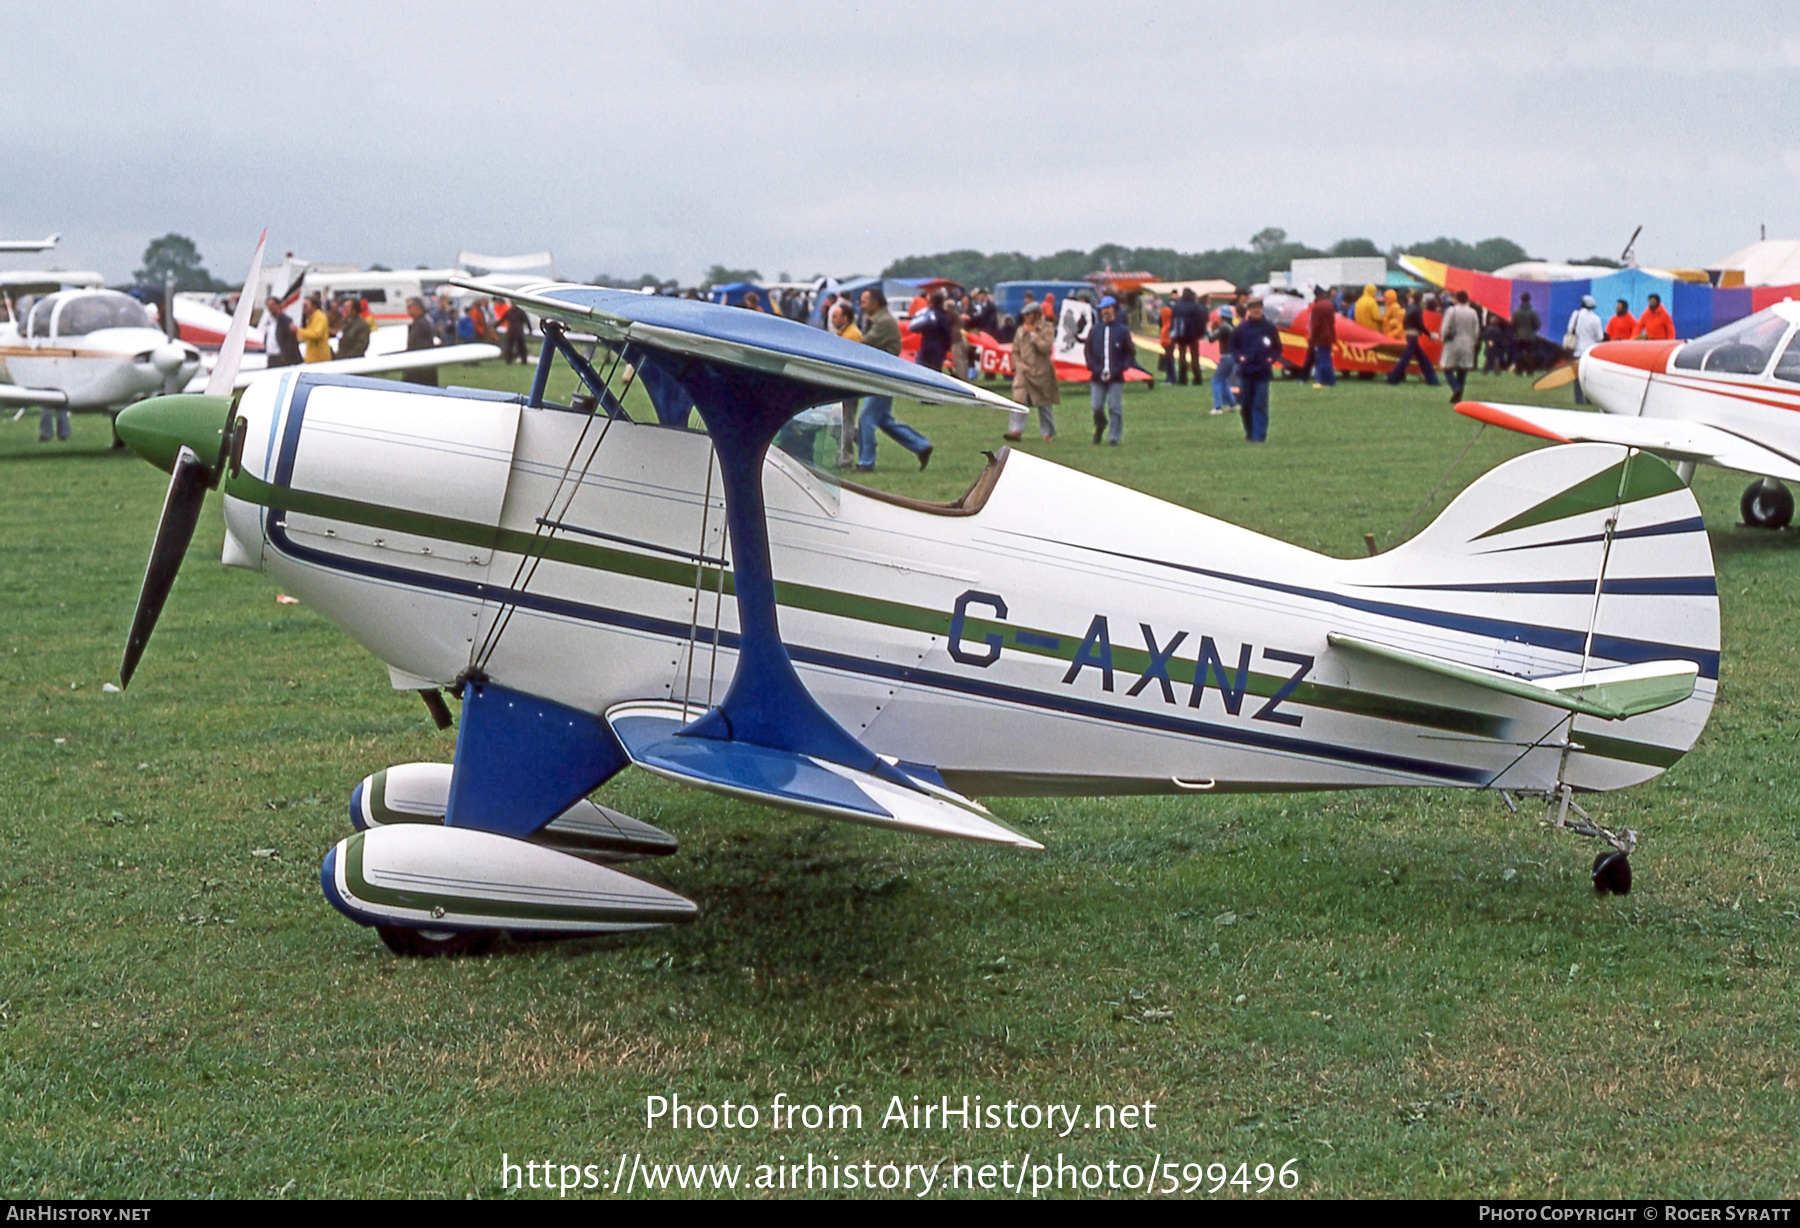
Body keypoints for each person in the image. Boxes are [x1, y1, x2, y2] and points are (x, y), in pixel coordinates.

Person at [855, 287, 931, 471]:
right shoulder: (879, 319)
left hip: (883, 375)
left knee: (866, 419)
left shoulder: (883, 322)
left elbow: (864, 344)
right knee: (883, 419)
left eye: (865, 301)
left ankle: (866, 463)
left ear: (876, 302)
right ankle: (921, 445)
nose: (861, 305)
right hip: (881, 374)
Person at [1084, 295, 1138, 446]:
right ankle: (1100, 425)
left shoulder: (1122, 330)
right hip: (1097, 375)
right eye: (1103, 309)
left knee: (1115, 407)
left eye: (1108, 308)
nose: (1105, 312)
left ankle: (1114, 436)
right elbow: (1088, 351)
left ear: (1114, 309)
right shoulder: (1095, 330)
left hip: (1116, 375)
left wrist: (1122, 367)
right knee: (1096, 406)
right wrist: (1094, 367)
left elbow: (1129, 352)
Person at [1229, 298, 1282, 442]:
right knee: (1245, 405)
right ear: (1248, 310)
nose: (1256, 311)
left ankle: (1259, 436)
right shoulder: (1241, 328)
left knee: (1260, 404)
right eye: (1253, 308)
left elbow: (1277, 347)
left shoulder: (1269, 327)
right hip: (1245, 372)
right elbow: (1233, 347)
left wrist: (1271, 359)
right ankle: (1250, 433)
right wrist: (1239, 358)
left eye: (1258, 308)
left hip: (1262, 372)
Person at [1008, 301, 1059, 442]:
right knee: (1019, 400)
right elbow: (1015, 350)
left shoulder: (1047, 328)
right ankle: (1015, 431)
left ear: (1037, 314)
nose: (1026, 318)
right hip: (1023, 371)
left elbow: (1046, 348)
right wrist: (1018, 365)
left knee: (1044, 403)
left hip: (1041, 371)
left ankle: (1048, 432)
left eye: (1029, 315)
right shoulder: (1020, 331)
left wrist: (1033, 336)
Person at [828, 301, 863, 466]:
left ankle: (846, 457)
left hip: (849, 384)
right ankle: (863, 439)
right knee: (842, 420)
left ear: (845, 317)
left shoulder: (852, 335)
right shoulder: (844, 333)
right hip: (843, 383)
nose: (832, 320)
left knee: (846, 420)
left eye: (835, 316)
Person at [1386, 291, 1439, 385]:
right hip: (1414, 335)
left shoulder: (1409, 308)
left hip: (1408, 334)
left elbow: (1405, 322)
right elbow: (1420, 325)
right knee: (1410, 358)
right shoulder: (1418, 309)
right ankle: (1432, 379)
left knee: (1417, 358)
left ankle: (1432, 379)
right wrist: (1429, 334)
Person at [1439, 289, 1481, 402]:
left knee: (1447, 368)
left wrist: (1443, 338)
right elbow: (1476, 330)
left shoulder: (1452, 310)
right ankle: (1459, 394)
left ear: (1456, 299)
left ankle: (1455, 388)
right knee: (1463, 370)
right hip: (1468, 342)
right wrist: (1474, 341)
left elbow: (1445, 327)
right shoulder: (1472, 312)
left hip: (1453, 341)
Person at [1565, 294, 1605, 404]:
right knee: (1589, 377)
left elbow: (1570, 329)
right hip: (1590, 351)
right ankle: (1589, 398)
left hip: (1577, 349)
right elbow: (1600, 337)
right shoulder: (1596, 319)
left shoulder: (1576, 315)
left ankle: (1578, 400)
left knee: (1577, 376)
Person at [909, 290, 953, 373]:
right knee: (935, 372)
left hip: (925, 346)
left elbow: (915, 328)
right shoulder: (944, 316)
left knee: (923, 370)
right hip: (938, 348)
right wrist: (947, 348)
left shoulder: (926, 314)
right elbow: (948, 335)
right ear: (942, 302)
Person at [402, 296, 439, 386]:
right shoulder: (418, 323)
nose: (407, 309)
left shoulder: (422, 324)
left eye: (410, 307)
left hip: (420, 368)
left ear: (418, 308)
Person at [1169, 289, 1203, 386]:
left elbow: (1173, 321)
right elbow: (1200, 321)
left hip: (1180, 334)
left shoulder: (1177, 307)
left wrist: (1173, 334)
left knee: (1182, 356)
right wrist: (1200, 333)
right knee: (1195, 357)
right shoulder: (1195, 306)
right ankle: (1197, 378)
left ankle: (1182, 378)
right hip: (1193, 334)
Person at [1306, 285, 1337, 387]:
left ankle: (1322, 380)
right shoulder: (1329, 304)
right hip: (1329, 336)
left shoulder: (1317, 307)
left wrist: (1312, 337)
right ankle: (1330, 380)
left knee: (1322, 359)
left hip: (1320, 337)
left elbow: (1315, 325)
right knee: (1327, 358)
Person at [1209, 304, 1237, 414]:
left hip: (1226, 357)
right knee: (1224, 379)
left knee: (1216, 380)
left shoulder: (1224, 327)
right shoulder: (1233, 327)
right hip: (1234, 356)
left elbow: (1211, 338)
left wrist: (1208, 329)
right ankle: (1231, 403)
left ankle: (1217, 407)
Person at [263, 296, 301, 367]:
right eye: (268, 305)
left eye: (272, 305)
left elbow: (291, 341)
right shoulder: (269, 322)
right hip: (271, 356)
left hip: (281, 356)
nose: (270, 307)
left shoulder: (285, 321)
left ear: (278, 306)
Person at [1512, 292, 1541, 375]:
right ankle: (1530, 370)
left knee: (1519, 353)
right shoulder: (1533, 312)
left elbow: (1513, 324)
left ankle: (1519, 370)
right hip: (1530, 336)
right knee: (1530, 354)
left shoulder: (1516, 312)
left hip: (1519, 336)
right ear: (1529, 300)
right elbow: (1537, 324)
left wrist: (1517, 331)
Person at [297, 296, 331, 363]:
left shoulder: (320, 317)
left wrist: (299, 331)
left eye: (306, 305)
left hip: (320, 359)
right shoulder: (309, 319)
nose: (304, 308)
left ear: (313, 306)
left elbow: (317, 334)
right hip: (312, 358)